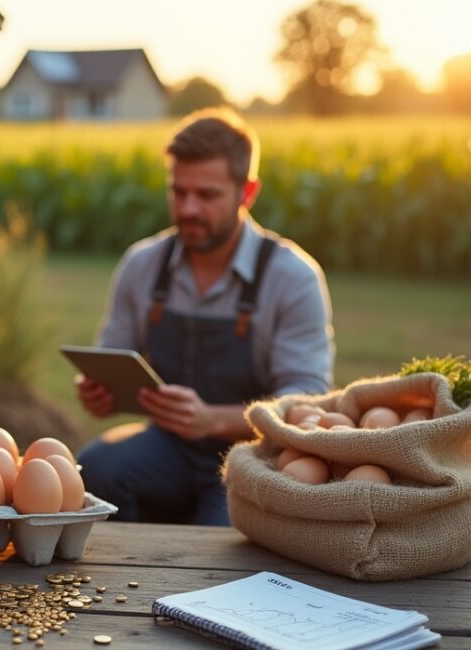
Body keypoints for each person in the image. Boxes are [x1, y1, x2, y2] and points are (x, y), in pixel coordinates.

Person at [75, 108, 334, 526]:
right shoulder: (142, 265)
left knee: (218, 549)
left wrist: (212, 419)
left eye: (207, 195)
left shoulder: (293, 277)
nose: (189, 208)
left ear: (247, 192)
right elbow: (113, 358)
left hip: (253, 458)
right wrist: (99, 393)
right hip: (167, 448)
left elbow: (308, 402)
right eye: (179, 192)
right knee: (93, 468)